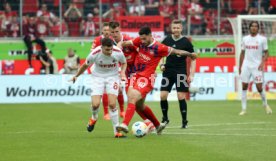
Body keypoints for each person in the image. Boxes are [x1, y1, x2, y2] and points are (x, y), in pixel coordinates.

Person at [116, 26, 197, 135]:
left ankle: (124, 124)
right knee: (140, 106)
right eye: (141, 39)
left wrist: (190, 54)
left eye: (144, 39)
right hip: (134, 76)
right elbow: (126, 43)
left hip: (147, 78)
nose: (142, 41)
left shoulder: (159, 47)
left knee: (132, 97)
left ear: (150, 35)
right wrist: (119, 46)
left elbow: (177, 51)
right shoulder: (139, 40)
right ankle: (158, 125)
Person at [69, 38, 127, 138]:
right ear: (101, 47)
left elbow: (124, 62)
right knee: (95, 105)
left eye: (111, 49)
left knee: (112, 104)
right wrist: (76, 76)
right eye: (107, 50)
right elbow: (85, 65)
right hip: (97, 77)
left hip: (112, 77)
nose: (109, 52)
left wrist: (122, 73)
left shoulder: (118, 51)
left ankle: (116, 132)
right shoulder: (95, 53)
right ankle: (94, 117)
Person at [159, 20, 196, 128]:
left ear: (181, 29)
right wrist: (162, 65)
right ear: (171, 28)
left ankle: (184, 121)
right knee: (163, 95)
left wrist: (192, 74)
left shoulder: (186, 42)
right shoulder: (167, 39)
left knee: (180, 96)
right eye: (174, 28)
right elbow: (161, 54)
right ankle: (165, 118)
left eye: (178, 28)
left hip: (180, 71)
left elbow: (193, 58)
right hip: (168, 71)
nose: (176, 30)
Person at [239, 21, 272, 115]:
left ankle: (265, 105)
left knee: (259, 88)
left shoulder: (262, 39)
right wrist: (240, 66)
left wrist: (262, 63)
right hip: (246, 65)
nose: (254, 28)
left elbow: (267, 53)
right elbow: (242, 53)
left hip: (257, 67)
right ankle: (243, 109)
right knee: (244, 86)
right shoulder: (245, 39)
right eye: (252, 26)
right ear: (249, 28)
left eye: (256, 26)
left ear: (258, 28)